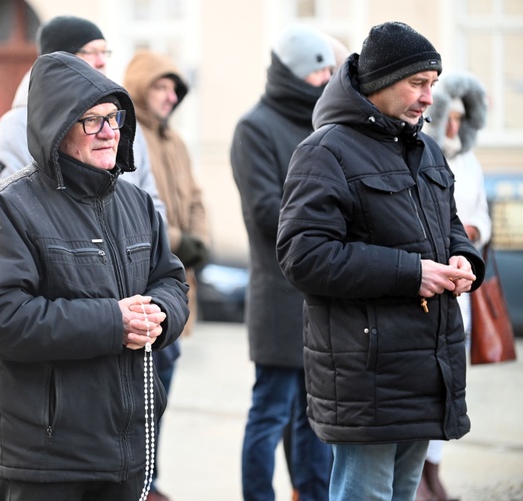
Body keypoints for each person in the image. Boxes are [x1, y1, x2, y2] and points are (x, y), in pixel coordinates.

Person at [0, 51, 189, 501]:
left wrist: (160, 314)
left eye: (113, 117)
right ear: (55, 127)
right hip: (46, 457)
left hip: (126, 446)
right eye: (91, 121)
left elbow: (172, 281)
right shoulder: (6, 210)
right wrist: (114, 322)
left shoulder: (137, 204)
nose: (109, 132)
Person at [276, 21, 486, 501]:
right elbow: (303, 256)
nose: (429, 97)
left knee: (402, 493)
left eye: (432, 84)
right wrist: (412, 273)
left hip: (427, 365)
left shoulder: (428, 149)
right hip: (366, 373)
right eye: (417, 83)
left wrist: (464, 257)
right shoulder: (324, 153)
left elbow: (450, 227)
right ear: (378, 83)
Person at [230, 24, 335, 501]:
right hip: (278, 293)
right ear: (296, 74)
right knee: (270, 412)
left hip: (320, 293)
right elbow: (264, 211)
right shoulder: (255, 127)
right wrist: (328, 224)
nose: (329, 80)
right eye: (321, 72)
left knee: (317, 414)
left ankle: (311, 494)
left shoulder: (322, 124)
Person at [124, 49, 209, 501]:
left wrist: (199, 238)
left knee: (162, 395)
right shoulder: (128, 134)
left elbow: (195, 195)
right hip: (145, 287)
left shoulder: (174, 141)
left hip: (176, 280)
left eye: (174, 89)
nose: (170, 96)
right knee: (141, 398)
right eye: (161, 86)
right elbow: (140, 210)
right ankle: (139, 480)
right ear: (141, 86)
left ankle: (150, 477)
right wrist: (177, 239)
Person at [0, 15, 165, 221]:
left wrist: (145, 244)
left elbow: (151, 202)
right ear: (59, 60)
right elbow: (2, 211)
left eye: (104, 52)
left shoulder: (121, 119)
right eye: (91, 52)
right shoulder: (15, 127)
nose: (102, 61)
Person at [416, 71, 492, 501]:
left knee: (451, 387)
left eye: (462, 118)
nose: (454, 126)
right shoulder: (425, 155)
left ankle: (434, 470)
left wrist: (470, 235)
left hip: (460, 289)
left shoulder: (469, 161)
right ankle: (422, 480)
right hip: (428, 290)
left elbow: (479, 214)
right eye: (450, 116)